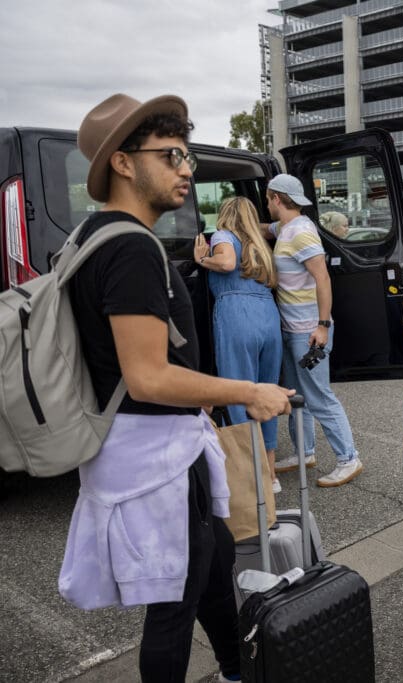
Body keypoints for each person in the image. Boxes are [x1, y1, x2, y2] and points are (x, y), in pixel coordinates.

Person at [61, 93, 293, 683]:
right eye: (171, 155)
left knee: (211, 568)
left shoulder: (89, 238)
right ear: (122, 161)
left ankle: (237, 669)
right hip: (155, 460)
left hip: (153, 449)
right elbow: (148, 375)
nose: (187, 168)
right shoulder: (131, 247)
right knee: (174, 607)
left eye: (186, 154)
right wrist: (248, 390)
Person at [266, 174, 364, 488]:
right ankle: (304, 452)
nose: (267, 204)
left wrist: (322, 326)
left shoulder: (300, 233)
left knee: (320, 397)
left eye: (268, 199)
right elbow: (262, 228)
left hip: (308, 332)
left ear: (277, 199)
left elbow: (322, 278)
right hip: (292, 329)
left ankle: (349, 458)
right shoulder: (286, 228)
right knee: (298, 397)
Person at [194, 197, 284, 494]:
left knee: (238, 394)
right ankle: (271, 475)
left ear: (225, 215)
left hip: (236, 314)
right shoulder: (260, 244)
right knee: (266, 392)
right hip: (268, 317)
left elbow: (226, 262)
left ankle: (253, 476)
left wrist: (202, 259)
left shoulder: (222, 236)